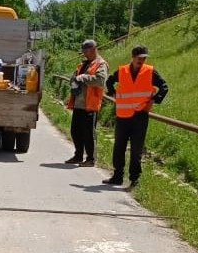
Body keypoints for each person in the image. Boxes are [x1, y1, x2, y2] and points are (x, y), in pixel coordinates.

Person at [103, 44, 168, 189]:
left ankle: (135, 179)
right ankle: (117, 176)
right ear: (133, 57)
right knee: (119, 147)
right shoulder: (122, 71)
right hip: (123, 115)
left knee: (136, 149)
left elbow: (164, 87)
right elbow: (109, 81)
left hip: (140, 115)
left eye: (144, 58)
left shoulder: (150, 72)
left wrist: (153, 100)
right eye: (139, 58)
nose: (142, 61)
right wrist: (113, 93)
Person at [65, 39, 108, 167]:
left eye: (86, 51)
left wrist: (83, 78)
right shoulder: (84, 64)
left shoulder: (101, 64)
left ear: (94, 49)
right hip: (79, 102)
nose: (84, 54)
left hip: (90, 104)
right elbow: (75, 77)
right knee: (75, 131)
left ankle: (90, 159)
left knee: (89, 133)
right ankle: (78, 155)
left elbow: (100, 81)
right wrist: (73, 80)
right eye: (83, 51)